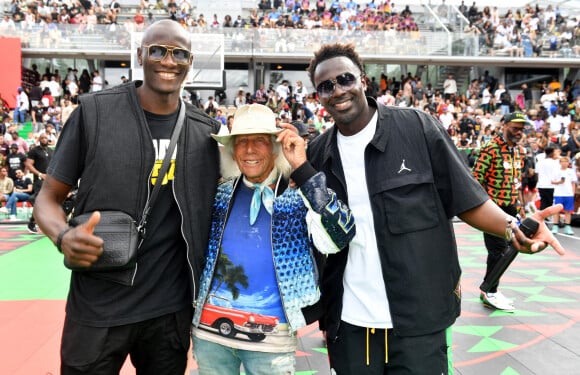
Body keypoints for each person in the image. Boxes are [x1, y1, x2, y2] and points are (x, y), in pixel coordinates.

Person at [304, 43, 565, 374]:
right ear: (318, 96)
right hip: (350, 323)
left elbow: (467, 199)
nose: (337, 91)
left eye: (345, 79)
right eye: (325, 86)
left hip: (420, 319)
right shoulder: (316, 154)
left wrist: (512, 227)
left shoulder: (418, 128)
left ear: (363, 81)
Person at [33, 19, 221, 374]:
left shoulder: (205, 131)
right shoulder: (94, 113)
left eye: (179, 53)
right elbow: (48, 198)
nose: (168, 60)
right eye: (157, 51)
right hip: (98, 306)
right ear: (140, 55)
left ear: (190, 62)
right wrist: (62, 236)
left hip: (169, 311)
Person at [191, 104, 355, 375]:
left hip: (271, 337)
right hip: (211, 334)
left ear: (275, 146)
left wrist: (302, 169)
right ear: (232, 149)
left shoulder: (297, 194)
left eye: (259, 140)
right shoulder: (219, 193)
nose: (250, 149)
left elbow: (340, 236)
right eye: (242, 141)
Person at [472, 112, 528, 311]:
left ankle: (490, 289)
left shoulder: (519, 151)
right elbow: (476, 180)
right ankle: (490, 291)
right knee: (498, 251)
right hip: (493, 207)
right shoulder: (490, 149)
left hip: (511, 206)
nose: (519, 133)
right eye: (515, 128)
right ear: (503, 125)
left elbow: (516, 183)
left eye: (522, 129)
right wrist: (483, 208)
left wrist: (520, 208)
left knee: (509, 250)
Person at [25, 133, 54, 233]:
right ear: (39, 140)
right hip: (39, 181)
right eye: (42, 138)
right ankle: (32, 223)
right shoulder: (34, 151)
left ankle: (34, 222)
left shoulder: (51, 151)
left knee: (48, 202)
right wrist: (40, 174)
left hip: (50, 181)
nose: (44, 139)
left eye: (46, 138)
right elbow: (28, 165)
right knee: (40, 202)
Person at [550, 156, 577, 234]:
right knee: (557, 210)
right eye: (562, 162)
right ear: (560, 163)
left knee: (568, 211)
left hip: (569, 194)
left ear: (568, 163)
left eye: (566, 162)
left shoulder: (571, 171)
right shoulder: (556, 171)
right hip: (558, 193)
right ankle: (555, 226)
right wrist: (559, 182)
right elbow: (552, 181)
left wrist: (573, 193)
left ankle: (567, 227)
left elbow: (573, 183)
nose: (564, 163)